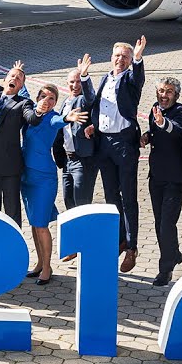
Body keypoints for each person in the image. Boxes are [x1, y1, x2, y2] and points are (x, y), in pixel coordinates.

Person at [89, 36, 147, 273]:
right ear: (111, 58)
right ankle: (119, 239)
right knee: (111, 196)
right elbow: (96, 105)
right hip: (105, 143)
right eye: (117, 56)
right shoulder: (106, 77)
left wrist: (139, 58)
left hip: (124, 143)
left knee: (128, 196)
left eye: (125, 56)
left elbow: (138, 77)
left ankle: (132, 247)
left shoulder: (130, 79)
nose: (120, 60)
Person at [22, 83, 88, 285]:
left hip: (44, 179)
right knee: (34, 223)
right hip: (26, 177)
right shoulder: (30, 114)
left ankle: (48, 267)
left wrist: (69, 118)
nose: (47, 101)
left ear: (56, 102)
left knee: (41, 225)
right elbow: (21, 93)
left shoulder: (52, 118)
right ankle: (40, 262)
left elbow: (61, 120)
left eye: (52, 98)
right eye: (44, 96)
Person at [141, 77, 182, 287]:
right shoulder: (155, 108)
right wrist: (147, 136)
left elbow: (177, 132)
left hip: (176, 178)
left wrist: (162, 123)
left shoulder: (180, 111)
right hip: (156, 176)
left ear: (176, 95)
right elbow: (156, 133)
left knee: (166, 224)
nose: (164, 95)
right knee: (159, 221)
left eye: (169, 91)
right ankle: (174, 252)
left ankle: (166, 269)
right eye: (161, 90)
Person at [0, 59, 44, 227]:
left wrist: (39, 111)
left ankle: (14, 250)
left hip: (9, 166)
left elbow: (31, 118)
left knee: (11, 210)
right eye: (12, 76)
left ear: (21, 87)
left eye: (19, 79)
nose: (14, 79)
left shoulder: (23, 103)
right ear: (5, 79)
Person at [57, 56, 97, 211]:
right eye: (72, 82)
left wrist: (85, 75)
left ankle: (86, 235)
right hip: (67, 160)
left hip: (83, 160)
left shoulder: (83, 100)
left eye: (78, 81)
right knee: (69, 202)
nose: (75, 85)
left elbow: (90, 97)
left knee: (82, 205)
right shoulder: (65, 102)